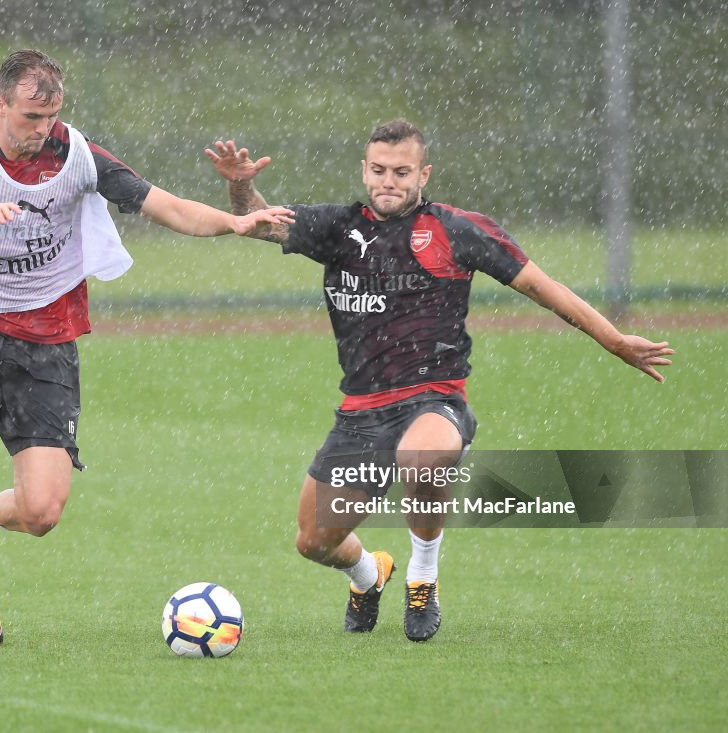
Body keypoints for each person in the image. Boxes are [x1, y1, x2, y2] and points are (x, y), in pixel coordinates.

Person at [0, 49, 293, 649]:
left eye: (50, 116)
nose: (40, 131)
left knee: (41, 515)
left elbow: (167, 206)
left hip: (46, 349)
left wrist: (233, 223)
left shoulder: (77, 155)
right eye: (28, 117)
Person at [205, 120, 673, 642]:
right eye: (379, 170)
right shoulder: (338, 227)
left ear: (423, 174)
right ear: (364, 170)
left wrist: (614, 341)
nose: (389, 181)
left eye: (402, 172)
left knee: (423, 457)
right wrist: (240, 184)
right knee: (313, 543)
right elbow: (260, 222)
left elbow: (544, 288)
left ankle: (422, 576)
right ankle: (368, 575)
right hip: (361, 409)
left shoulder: (457, 229)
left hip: (434, 396)